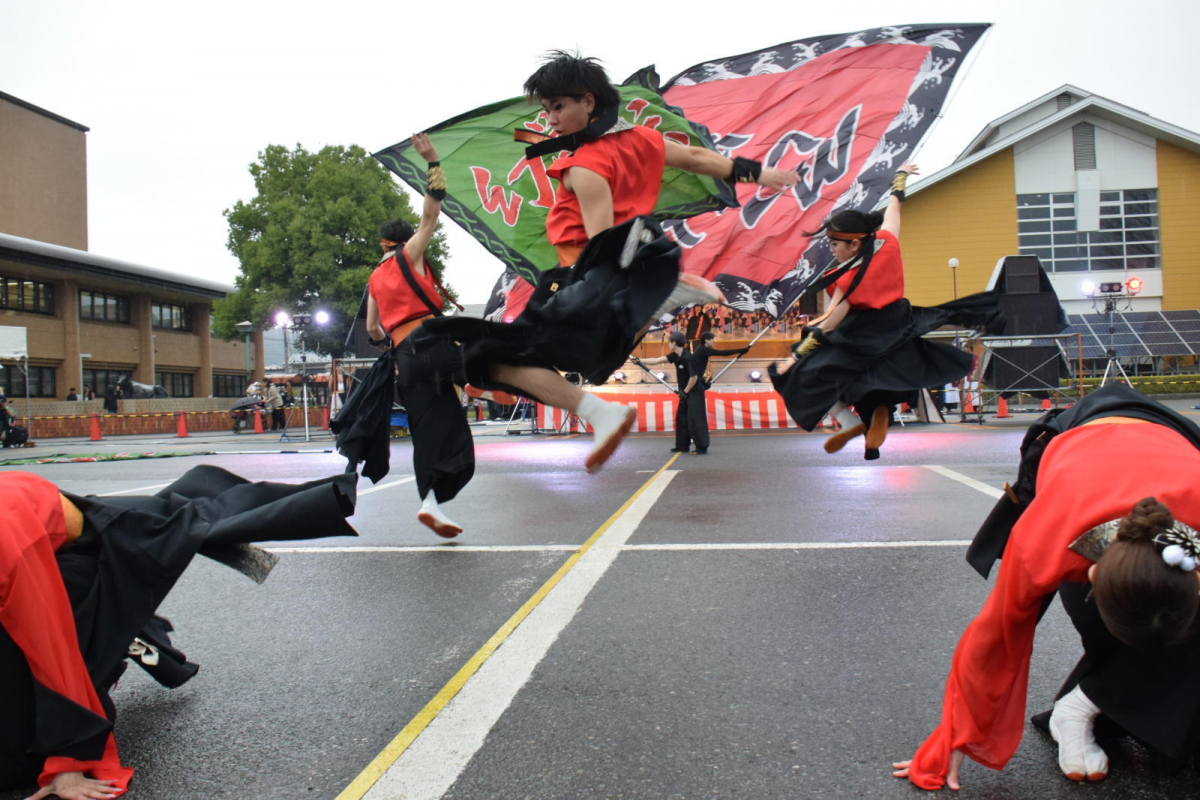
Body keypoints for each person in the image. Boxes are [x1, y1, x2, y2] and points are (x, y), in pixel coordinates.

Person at [419, 51, 799, 473]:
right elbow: (695, 159)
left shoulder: (584, 167)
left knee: (486, 357)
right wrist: (757, 173)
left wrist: (616, 289)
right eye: (547, 111)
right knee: (591, 366)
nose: (551, 120)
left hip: (596, 272)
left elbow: (603, 244)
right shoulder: (641, 139)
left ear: (588, 101)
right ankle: (625, 359)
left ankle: (614, 386)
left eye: (558, 107)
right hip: (625, 260)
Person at [893, 383, 1200, 790]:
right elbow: (996, 638)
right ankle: (1078, 711)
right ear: (1090, 577)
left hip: (1167, 436)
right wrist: (955, 732)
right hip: (1076, 445)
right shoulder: (1045, 542)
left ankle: (1094, 699)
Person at [0, 466, 358, 798]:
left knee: (17, 753)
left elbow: (54, 654)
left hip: (84, 550)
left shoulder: (11, 553)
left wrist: (70, 761)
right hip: (34, 522)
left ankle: (116, 632)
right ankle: (118, 623)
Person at [769, 163, 1002, 460]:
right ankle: (878, 415)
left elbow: (831, 323)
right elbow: (895, 208)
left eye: (835, 244)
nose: (831, 250)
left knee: (801, 376)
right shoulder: (887, 242)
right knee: (879, 383)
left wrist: (796, 354)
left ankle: (850, 424)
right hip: (897, 327)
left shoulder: (847, 279)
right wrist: (900, 177)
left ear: (855, 244)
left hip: (861, 335)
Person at [334, 133, 474, 539]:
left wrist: (387, 346)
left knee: (431, 432)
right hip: (434, 342)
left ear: (379, 242)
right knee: (494, 357)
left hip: (405, 360)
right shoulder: (410, 254)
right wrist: (433, 163)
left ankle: (431, 503)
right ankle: (492, 383)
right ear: (402, 238)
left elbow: (374, 329)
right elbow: (431, 214)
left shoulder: (375, 278)